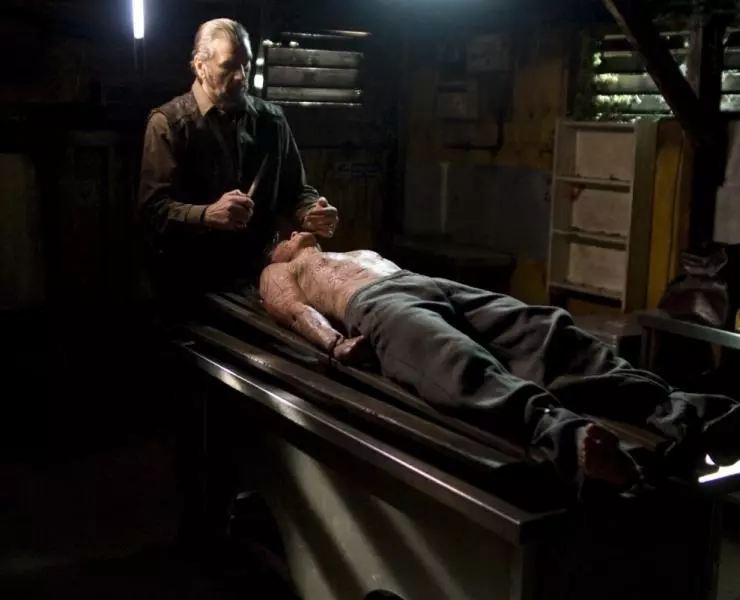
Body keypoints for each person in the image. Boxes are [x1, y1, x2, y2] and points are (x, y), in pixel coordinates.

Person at [260, 232, 740, 490]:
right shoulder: (281, 268)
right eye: (285, 232)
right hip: (373, 306)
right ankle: (566, 436)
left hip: (427, 284)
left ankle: (683, 411)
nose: (295, 230)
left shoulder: (350, 247)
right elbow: (294, 310)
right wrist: (333, 344)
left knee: (543, 329)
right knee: (453, 360)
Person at [138, 18, 338, 300]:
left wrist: (311, 211)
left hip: (259, 273)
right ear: (200, 66)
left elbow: (296, 190)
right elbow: (153, 211)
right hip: (188, 280)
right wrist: (207, 215)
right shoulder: (169, 124)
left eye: (246, 65)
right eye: (229, 66)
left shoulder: (271, 121)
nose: (241, 77)